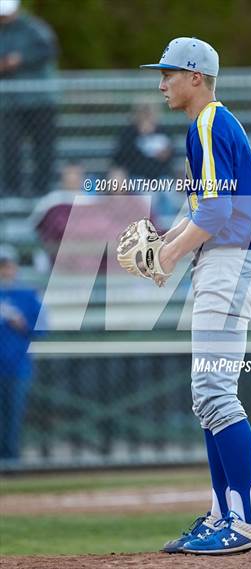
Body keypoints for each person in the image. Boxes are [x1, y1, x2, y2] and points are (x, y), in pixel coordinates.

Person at [138, 37, 251, 555]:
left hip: (232, 261)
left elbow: (217, 217)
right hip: (223, 261)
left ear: (196, 77)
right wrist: (165, 243)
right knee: (207, 397)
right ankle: (224, 514)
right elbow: (203, 210)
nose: (161, 82)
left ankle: (244, 520)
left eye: (169, 73)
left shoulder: (210, 122)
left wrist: (168, 257)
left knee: (215, 393)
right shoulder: (207, 127)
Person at [0, 0, 58, 196]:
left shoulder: (35, 28)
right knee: (10, 148)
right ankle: (12, 192)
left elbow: (48, 50)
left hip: (39, 100)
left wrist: (20, 59)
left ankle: (42, 191)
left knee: (43, 147)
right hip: (11, 102)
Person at [0, 245, 44, 461]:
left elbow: (42, 329)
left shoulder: (27, 295)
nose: (4, 271)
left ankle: (11, 460)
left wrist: (22, 324)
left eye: (6, 266)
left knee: (13, 416)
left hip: (17, 365)